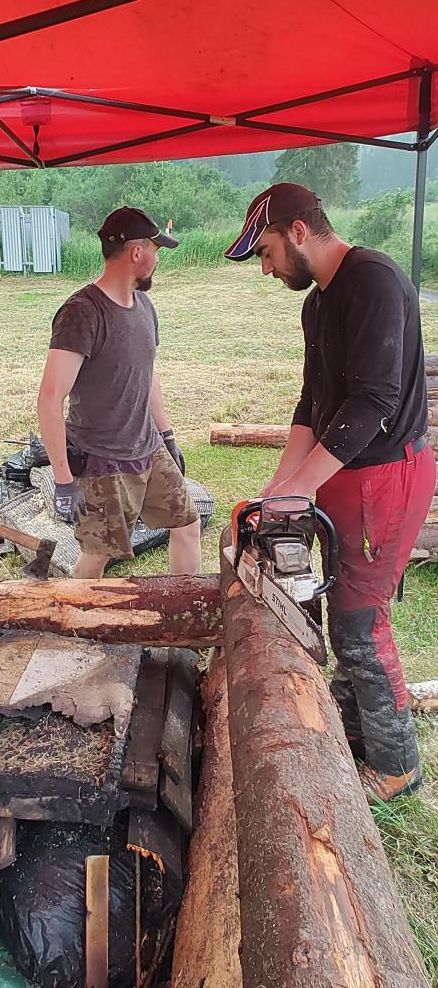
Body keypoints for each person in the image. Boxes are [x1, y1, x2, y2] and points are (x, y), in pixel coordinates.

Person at [224, 183, 435, 803]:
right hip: (344, 472)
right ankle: (354, 723)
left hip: (385, 476)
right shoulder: (317, 305)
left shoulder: (374, 282)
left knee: (360, 621)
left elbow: (373, 402)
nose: (265, 269)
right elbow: (312, 406)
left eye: (265, 252)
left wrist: (301, 488)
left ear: (297, 232)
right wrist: (280, 487)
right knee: (342, 603)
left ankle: (397, 764)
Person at [38, 206, 201, 579]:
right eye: (155, 251)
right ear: (137, 252)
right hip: (101, 461)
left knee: (188, 524)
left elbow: (148, 373)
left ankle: (184, 609)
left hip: (147, 448)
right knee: (99, 556)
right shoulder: (82, 313)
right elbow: (49, 399)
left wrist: (167, 435)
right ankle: (76, 616)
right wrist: (63, 479)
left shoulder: (144, 306)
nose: (157, 260)